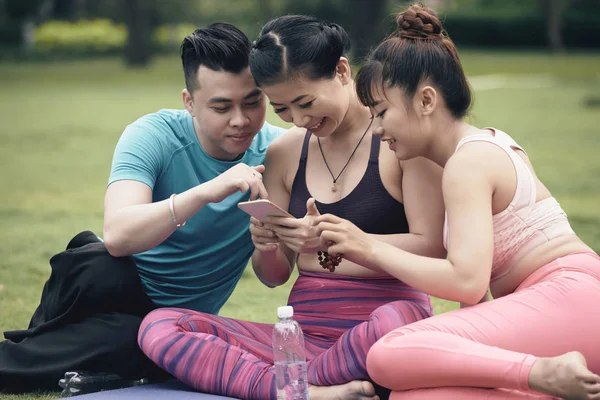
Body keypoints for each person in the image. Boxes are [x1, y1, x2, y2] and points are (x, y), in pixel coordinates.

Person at [139, 15, 446, 400]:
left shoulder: (395, 138)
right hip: (303, 337)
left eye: (305, 102)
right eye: (281, 109)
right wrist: (268, 246)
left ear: (341, 70)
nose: (299, 120)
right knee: (162, 325)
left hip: (381, 324)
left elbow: (434, 247)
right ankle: (308, 390)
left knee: (396, 323)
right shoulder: (286, 152)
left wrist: (348, 241)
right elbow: (274, 276)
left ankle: (288, 384)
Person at [311, 3, 600, 399]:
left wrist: (369, 247)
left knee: (389, 352)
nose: (377, 130)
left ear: (426, 101)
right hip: (563, 311)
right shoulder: (473, 154)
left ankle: (540, 374)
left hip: (572, 298)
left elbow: (467, 281)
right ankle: (544, 381)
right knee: (412, 393)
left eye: (381, 113)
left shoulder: (469, 162)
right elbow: (475, 300)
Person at [0, 22, 283, 393]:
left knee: (130, 336)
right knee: (96, 266)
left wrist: (273, 238)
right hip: (108, 283)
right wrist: (204, 193)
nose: (240, 120)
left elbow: (273, 276)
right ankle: (67, 352)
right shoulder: (153, 135)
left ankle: (40, 357)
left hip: (170, 321)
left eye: (252, 101)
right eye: (221, 106)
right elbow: (118, 236)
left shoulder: (279, 152)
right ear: (189, 103)